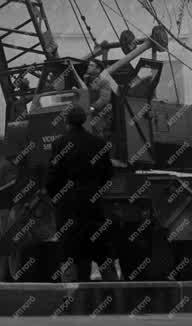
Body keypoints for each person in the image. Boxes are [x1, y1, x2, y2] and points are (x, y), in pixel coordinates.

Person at [45, 104, 118, 282]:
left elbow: (52, 178)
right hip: (93, 206)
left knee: (68, 253)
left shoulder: (59, 144)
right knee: (102, 251)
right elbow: (108, 174)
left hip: (68, 207)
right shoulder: (99, 144)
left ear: (66, 121)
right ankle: (116, 294)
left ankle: (70, 299)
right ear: (84, 121)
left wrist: (58, 198)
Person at [84, 61, 114, 140]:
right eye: (89, 65)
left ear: (98, 69)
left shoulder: (104, 82)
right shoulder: (86, 80)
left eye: (91, 65)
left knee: (98, 137)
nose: (88, 66)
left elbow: (104, 100)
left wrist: (91, 108)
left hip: (99, 116)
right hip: (88, 115)